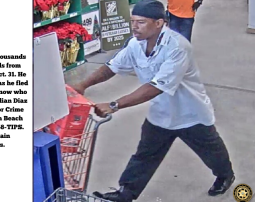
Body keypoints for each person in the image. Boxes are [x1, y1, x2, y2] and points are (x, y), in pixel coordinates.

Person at [71, 1, 235, 201]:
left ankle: (225, 175)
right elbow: (112, 67)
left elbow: (155, 88)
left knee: (211, 151)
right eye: (132, 21)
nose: (134, 27)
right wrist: (83, 85)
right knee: (145, 155)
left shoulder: (178, 47)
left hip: (191, 114)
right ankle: (126, 193)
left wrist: (114, 105)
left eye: (140, 22)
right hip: (161, 113)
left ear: (159, 23)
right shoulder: (135, 44)